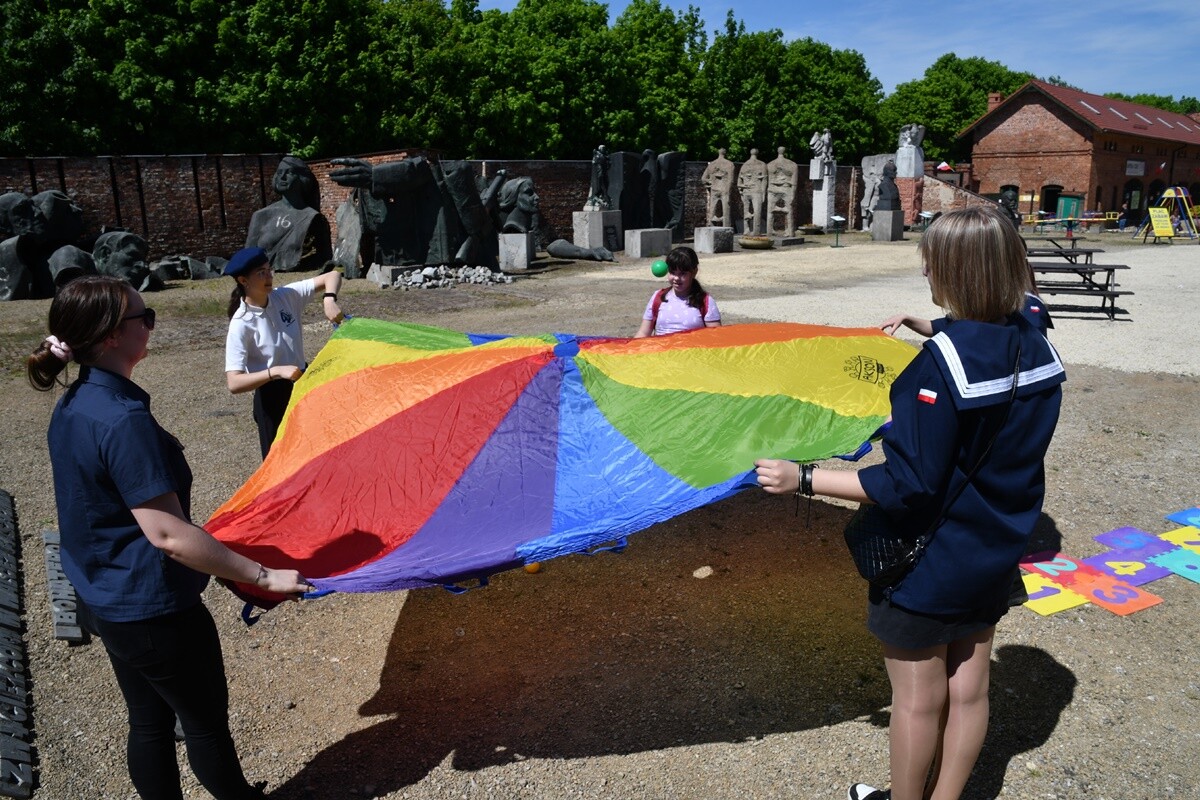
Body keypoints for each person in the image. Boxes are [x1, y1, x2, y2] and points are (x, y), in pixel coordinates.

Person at [755, 206, 1066, 800]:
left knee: (918, 701)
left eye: (931, 262)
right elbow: (1008, 319)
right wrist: (932, 326)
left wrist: (804, 477)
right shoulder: (1035, 334)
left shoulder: (937, 372)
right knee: (970, 690)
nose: (925, 272)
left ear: (953, 272)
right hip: (996, 549)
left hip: (932, 563)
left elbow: (907, 484)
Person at [26, 275, 312, 800]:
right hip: (153, 609)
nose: (152, 326)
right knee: (205, 726)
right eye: (146, 317)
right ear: (112, 335)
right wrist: (263, 576)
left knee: (148, 720)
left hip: (107, 599)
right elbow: (168, 534)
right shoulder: (122, 419)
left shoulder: (76, 402)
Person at [223, 246, 344, 458]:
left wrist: (329, 299)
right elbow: (234, 382)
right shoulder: (241, 323)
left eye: (269, 270)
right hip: (272, 397)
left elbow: (332, 275)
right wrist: (275, 372)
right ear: (243, 281)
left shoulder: (284, 296)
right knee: (280, 460)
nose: (269, 277)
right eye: (261, 273)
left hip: (302, 385)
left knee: (314, 453)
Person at [634, 246, 721, 337]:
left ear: (694, 272)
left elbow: (716, 337)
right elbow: (643, 333)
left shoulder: (705, 301)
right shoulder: (658, 297)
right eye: (672, 272)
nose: (676, 278)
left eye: (682, 273)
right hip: (661, 346)